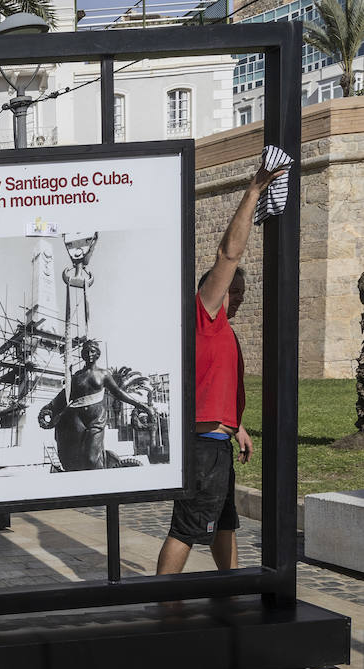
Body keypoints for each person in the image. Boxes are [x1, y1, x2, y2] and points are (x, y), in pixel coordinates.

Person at [157, 162, 287, 575]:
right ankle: (161, 606)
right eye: (232, 289)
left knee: (223, 526)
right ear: (211, 291)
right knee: (187, 529)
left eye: (242, 291)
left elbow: (210, 384)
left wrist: (237, 426)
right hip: (203, 450)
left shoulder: (224, 332)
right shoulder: (205, 314)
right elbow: (228, 253)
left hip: (218, 442)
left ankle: (231, 590)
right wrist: (253, 191)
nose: (239, 296)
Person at [37, 339, 155, 471]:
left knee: (91, 458)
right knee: (75, 458)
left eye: (92, 351)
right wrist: (49, 408)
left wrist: (141, 405)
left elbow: (119, 393)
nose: (89, 354)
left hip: (96, 419)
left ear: (98, 354)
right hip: (77, 420)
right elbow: (65, 396)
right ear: (82, 355)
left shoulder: (103, 374)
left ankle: (102, 475)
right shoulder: (77, 376)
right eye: (86, 351)